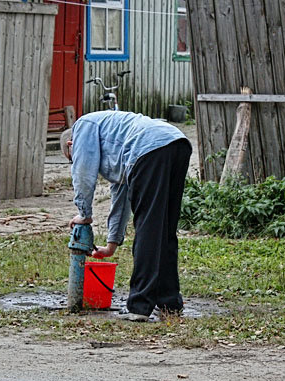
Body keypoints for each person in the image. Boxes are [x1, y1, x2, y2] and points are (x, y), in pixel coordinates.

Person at [61, 110, 192, 321]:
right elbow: (121, 196)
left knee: (148, 229)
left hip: (150, 148)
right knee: (165, 229)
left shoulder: (83, 126)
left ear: (70, 145)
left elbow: (83, 173)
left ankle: (139, 306)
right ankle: (169, 303)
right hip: (177, 144)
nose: (74, 161)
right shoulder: (116, 143)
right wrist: (112, 244)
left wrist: (84, 214)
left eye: (71, 159)